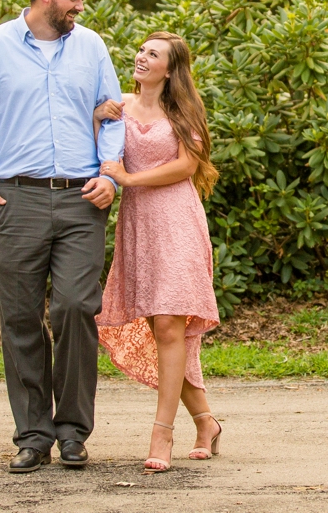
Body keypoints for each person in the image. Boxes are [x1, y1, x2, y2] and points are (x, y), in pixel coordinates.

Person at [0, 0, 124, 474]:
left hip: (80, 199)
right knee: (21, 319)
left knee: (73, 309)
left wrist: (110, 176)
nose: (80, 7)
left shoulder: (90, 47)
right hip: (14, 201)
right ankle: (32, 435)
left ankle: (72, 432)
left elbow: (114, 115)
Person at [95, 31, 223, 472]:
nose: (142, 57)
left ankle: (161, 433)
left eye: (154, 54)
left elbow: (188, 165)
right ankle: (206, 421)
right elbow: (99, 148)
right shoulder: (119, 107)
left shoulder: (184, 110)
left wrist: (129, 179)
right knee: (162, 329)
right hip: (138, 227)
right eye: (142, 50)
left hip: (176, 220)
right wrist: (96, 117)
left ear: (171, 69)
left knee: (170, 324)